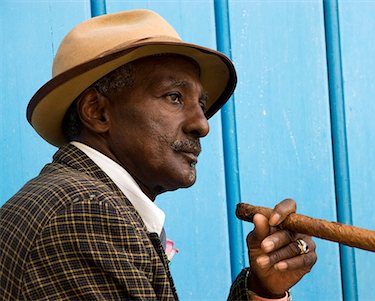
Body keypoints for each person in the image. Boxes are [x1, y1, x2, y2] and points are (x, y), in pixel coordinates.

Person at [0, 10, 317, 300]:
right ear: (97, 112)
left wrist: (264, 290)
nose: (202, 125)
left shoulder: (78, 200)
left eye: (201, 106)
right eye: (174, 97)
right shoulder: (84, 214)